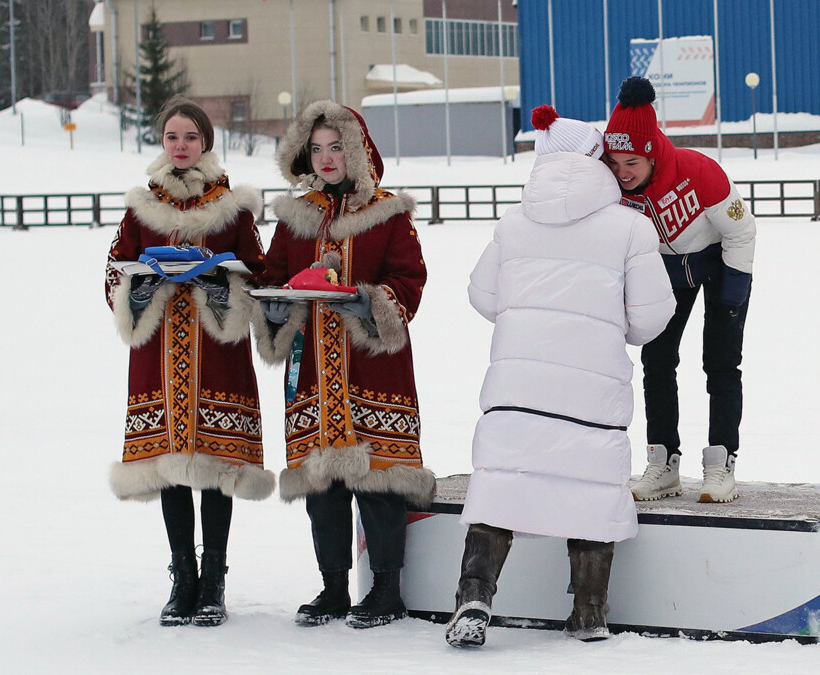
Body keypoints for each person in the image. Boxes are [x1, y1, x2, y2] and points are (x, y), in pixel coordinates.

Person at [444, 105, 677, 648]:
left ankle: (474, 597)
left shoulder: (514, 223)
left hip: (516, 389)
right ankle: (589, 611)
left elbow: (482, 295)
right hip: (591, 391)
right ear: (597, 158)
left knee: (500, 487)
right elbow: (649, 318)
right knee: (592, 492)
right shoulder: (631, 227)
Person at [255, 100, 434, 630]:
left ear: (356, 150)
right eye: (317, 149)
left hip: (373, 368)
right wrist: (274, 304)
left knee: (379, 482)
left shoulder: (389, 213)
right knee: (322, 484)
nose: (327, 158)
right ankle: (333, 587)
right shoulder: (295, 217)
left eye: (337, 147)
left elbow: (411, 280)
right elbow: (273, 274)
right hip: (312, 366)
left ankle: (385, 590)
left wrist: (369, 302)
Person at [104, 97, 274, 627]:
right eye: (173, 137)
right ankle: (183, 578)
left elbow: (260, 271)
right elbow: (113, 274)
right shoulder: (139, 207)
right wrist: (142, 282)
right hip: (159, 354)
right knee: (171, 467)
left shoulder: (234, 206)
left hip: (216, 351)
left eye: (191, 138)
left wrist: (220, 280)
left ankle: (214, 580)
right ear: (163, 142)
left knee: (217, 466)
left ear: (206, 143)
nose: (181, 146)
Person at [602, 76, 757, 504]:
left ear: (652, 154)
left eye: (631, 162)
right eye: (614, 163)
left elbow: (742, 232)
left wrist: (732, 296)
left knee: (721, 363)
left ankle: (720, 463)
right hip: (667, 273)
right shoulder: (614, 188)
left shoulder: (698, 171)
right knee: (656, 360)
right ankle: (663, 462)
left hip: (720, 261)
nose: (622, 173)